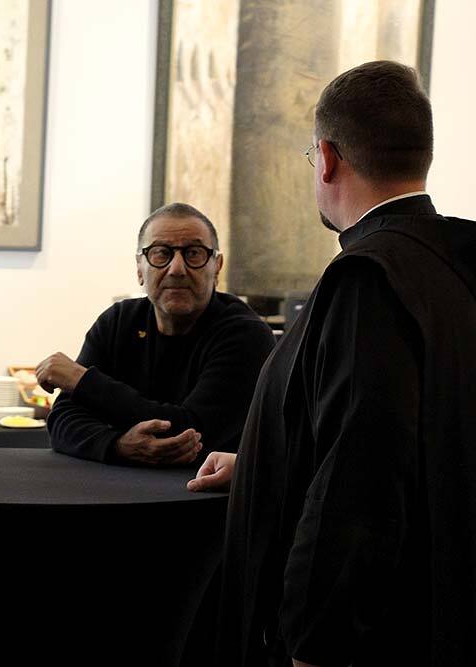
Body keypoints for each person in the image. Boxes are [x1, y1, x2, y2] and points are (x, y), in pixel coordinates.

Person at [189, 60, 476, 666]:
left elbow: (361, 478)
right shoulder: (456, 260)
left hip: (373, 636)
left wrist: (315, 641)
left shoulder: (367, 279)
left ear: (325, 158)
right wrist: (266, 463)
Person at [37, 203, 275, 466]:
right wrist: (117, 445)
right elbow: (62, 418)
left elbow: (191, 432)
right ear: (140, 268)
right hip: (116, 484)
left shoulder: (246, 335)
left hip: (205, 487)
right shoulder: (118, 322)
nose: (177, 269)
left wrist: (82, 381)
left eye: (193, 253)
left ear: (216, 266)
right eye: (161, 253)